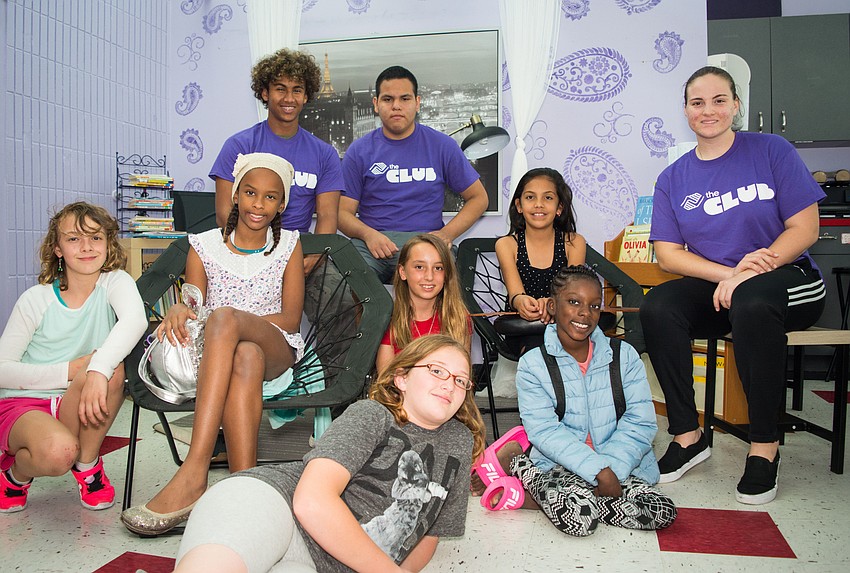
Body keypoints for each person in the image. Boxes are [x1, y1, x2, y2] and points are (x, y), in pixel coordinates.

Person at [639, 66, 826, 504]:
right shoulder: (673, 178)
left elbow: (806, 227)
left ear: (736, 105)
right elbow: (668, 254)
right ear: (686, 111)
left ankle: (764, 445)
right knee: (658, 307)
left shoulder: (771, 150)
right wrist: (732, 276)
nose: (709, 110)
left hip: (786, 277)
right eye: (697, 102)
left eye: (719, 100)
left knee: (754, 302)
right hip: (724, 282)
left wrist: (749, 276)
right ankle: (688, 436)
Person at [171, 334, 485, 573]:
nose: (449, 385)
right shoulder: (372, 414)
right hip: (274, 502)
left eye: (460, 380)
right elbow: (311, 502)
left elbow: (429, 536)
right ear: (401, 378)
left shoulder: (458, 441)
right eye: (436, 371)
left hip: (323, 563)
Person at [121, 152, 306, 535]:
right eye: (251, 193)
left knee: (227, 321)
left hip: (278, 346)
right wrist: (177, 312)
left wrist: (235, 322)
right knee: (244, 354)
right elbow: (192, 304)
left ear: (282, 204)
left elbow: (289, 318)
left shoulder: (290, 244)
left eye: (271, 197)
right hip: (226, 353)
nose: (259, 204)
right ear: (236, 195)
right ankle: (246, 493)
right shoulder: (203, 245)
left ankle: (195, 470)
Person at [472, 266, 676, 537]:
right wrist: (597, 471)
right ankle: (519, 463)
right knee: (579, 522)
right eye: (574, 302)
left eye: (594, 305)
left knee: (661, 510)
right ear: (553, 306)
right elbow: (544, 431)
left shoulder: (624, 356)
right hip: (560, 466)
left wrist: (610, 469)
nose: (585, 313)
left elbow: (641, 423)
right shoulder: (534, 364)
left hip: (624, 468)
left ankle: (530, 495)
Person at [0, 202, 147, 513]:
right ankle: (15, 475)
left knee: (111, 366)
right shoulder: (35, 299)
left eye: (95, 238)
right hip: (24, 403)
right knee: (57, 453)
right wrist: (69, 370)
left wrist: (94, 370)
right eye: (73, 239)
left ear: (108, 244)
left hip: (76, 398)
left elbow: (135, 321)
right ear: (57, 248)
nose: (86, 247)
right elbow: (2, 370)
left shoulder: (115, 282)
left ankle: (88, 466)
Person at [339, 65, 489, 284]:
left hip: (426, 244)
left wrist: (446, 234)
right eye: (388, 99)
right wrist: (368, 235)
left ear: (417, 103)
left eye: (405, 99)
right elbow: (342, 213)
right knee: (346, 286)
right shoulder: (359, 150)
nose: (396, 106)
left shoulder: (442, 145)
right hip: (372, 246)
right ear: (376, 104)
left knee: (442, 296)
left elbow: (479, 198)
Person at [209, 48, 343, 249]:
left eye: (297, 90)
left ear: (306, 96)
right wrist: (252, 252)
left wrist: (312, 257)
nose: (289, 98)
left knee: (335, 280)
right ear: (265, 93)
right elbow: (223, 213)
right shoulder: (239, 146)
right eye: (280, 89)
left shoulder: (325, 154)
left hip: (300, 249)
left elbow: (327, 216)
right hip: (245, 247)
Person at [495, 167, 586, 354]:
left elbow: (573, 294)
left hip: (564, 327)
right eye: (530, 197)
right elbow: (516, 295)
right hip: (523, 329)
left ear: (559, 207)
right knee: (537, 348)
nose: (539, 204)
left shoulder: (574, 242)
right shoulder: (506, 245)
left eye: (548, 198)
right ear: (519, 206)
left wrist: (553, 302)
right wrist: (522, 302)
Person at [376, 234, 471, 373]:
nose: (429, 276)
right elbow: (386, 381)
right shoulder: (388, 319)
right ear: (402, 272)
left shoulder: (458, 317)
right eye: (419, 267)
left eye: (438, 268)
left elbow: (461, 376)